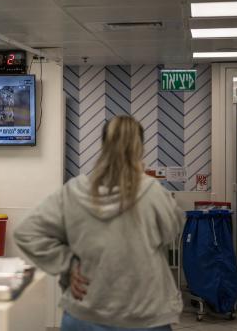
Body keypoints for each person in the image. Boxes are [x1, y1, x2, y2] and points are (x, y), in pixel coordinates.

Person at [14, 116, 184, 331]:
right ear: (140, 148)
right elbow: (172, 230)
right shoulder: (153, 192)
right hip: (144, 315)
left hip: (84, 314)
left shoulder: (73, 191)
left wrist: (67, 263)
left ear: (103, 145)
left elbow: (27, 232)